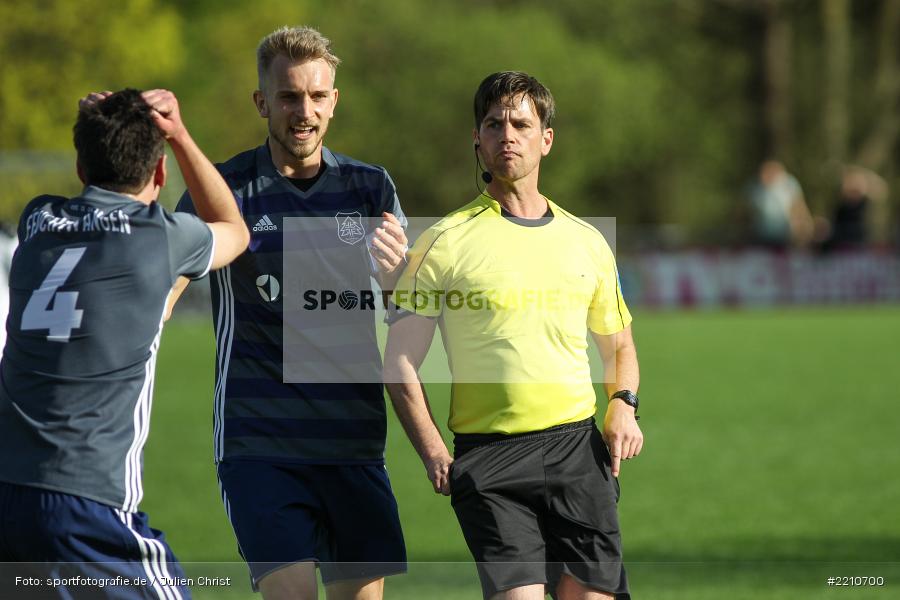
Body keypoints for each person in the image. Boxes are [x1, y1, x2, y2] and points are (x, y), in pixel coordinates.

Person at [170, 26, 408, 600]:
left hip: (352, 443)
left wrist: (400, 279)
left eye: (317, 96)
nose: (304, 111)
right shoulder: (223, 190)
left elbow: (409, 310)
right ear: (262, 102)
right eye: (288, 97)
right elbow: (162, 288)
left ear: (334, 100)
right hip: (260, 444)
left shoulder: (370, 187)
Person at [384, 72, 642, 600]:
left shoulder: (587, 242)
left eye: (522, 124)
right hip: (489, 459)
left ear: (545, 139)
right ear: (476, 139)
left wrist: (623, 403)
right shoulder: (443, 242)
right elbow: (399, 363)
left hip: (578, 453)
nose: (508, 134)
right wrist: (433, 450)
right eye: (494, 123)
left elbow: (618, 346)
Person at [0, 88, 249, 598]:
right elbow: (233, 228)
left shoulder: (38, 219)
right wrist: (179, 136)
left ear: (78, 166)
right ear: (159, 174)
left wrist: (98, 126)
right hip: (85, 501)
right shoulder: (159, 238)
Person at [743, 159, 814, 249]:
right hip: (759, 235)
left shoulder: (789, 184)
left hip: (784, 235)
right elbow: (745, 213)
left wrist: (803, 229)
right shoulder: (754, 188)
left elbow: (799, 208)